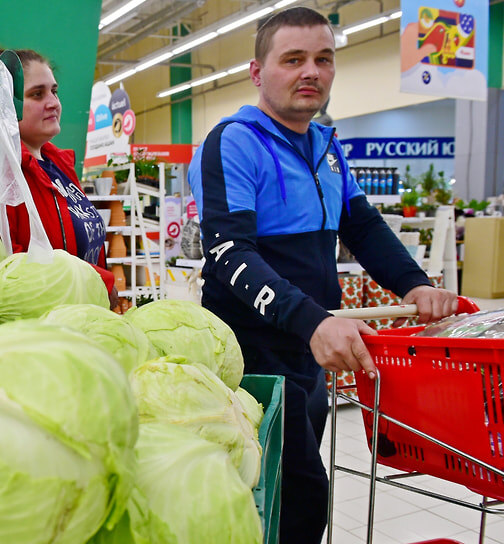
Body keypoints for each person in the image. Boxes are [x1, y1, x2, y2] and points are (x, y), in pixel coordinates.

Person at [187, 7, 458, 544]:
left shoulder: (326, 148)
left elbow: (362, 227)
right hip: (254, 355)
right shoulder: (233, 141)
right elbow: (228, 251)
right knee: (298, 500)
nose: (311, 71)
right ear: (258, 72)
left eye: (323, 59)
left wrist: (417, 283)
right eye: (293, 59)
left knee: (288, 494)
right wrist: (310, 321)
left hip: (312, 352)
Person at [0, 49, 117, 306]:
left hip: (76, 316)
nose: (53, 103)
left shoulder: (55, 162)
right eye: (37, 94)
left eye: (54, 91)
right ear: (1, 102)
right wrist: (98, 282)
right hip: (34, 329)